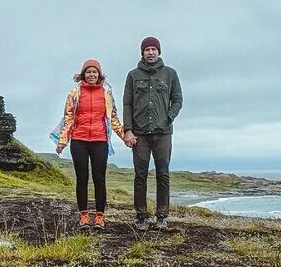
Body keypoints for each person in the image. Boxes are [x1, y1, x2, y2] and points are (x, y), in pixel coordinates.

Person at [51, 59, 127, 231]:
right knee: (82, 178)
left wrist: (124, 137)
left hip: (100, 141)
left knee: (100, 179)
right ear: (83, 74)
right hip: (79, 140)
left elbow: (113, 118)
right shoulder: (75, 93)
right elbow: (69, 118)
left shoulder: (106, 93)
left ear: (99, 75)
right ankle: (83, 216)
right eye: (88, 72)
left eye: (95, 72)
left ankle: (100, 217)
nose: (92, 75)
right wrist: (62, 141)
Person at [122, 36, 182, 231]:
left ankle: (162, 217)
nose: (150, 52)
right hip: (139, 134)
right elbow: (127, 104)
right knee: (140, 175)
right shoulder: (132, 75)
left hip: (163, 133)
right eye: (147, 49)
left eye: (153, 49)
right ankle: (141, 217)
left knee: (163, 174)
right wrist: (128, 130)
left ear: (159, 52)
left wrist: (168, 117)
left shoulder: (170, 74)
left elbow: (178, 99)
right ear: (142, 53)